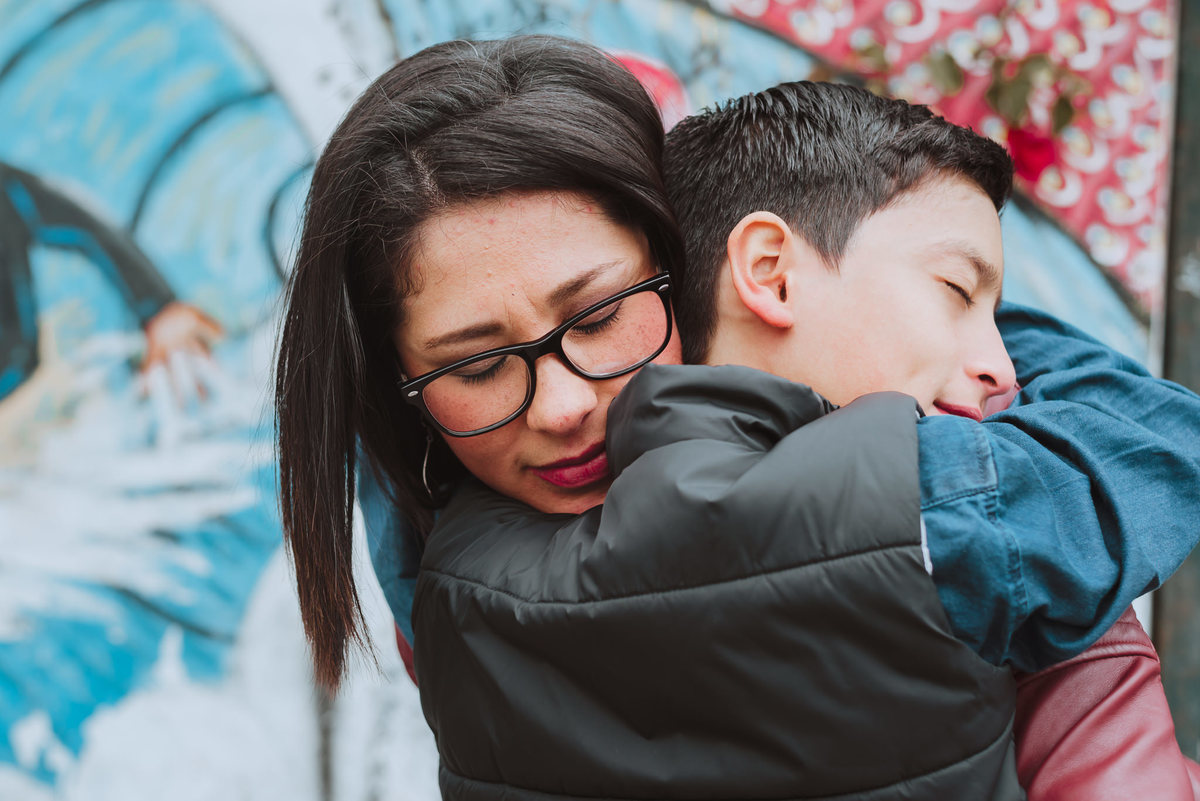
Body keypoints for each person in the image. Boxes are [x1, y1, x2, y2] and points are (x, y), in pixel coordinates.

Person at [273, 37, 1200, 800]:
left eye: (599, 317)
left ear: (682, 264)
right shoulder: (923, 506)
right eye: (476, 366)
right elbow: (1147, 432)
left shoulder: (436, 596)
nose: (561, 408)